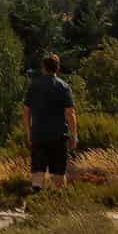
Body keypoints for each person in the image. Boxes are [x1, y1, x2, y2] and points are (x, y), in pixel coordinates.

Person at [23, 52, 77, 191]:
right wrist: (74, 135)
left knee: (38, 171)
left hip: (39, 134)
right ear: (57, 67)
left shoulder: (33, 86)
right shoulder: (64, 87)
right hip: (58, 135)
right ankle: (57, 202)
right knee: (58, 173)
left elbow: (26, 112)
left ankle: (35, 202)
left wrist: (29, 133)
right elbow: (70, 113)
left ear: (43, 67)